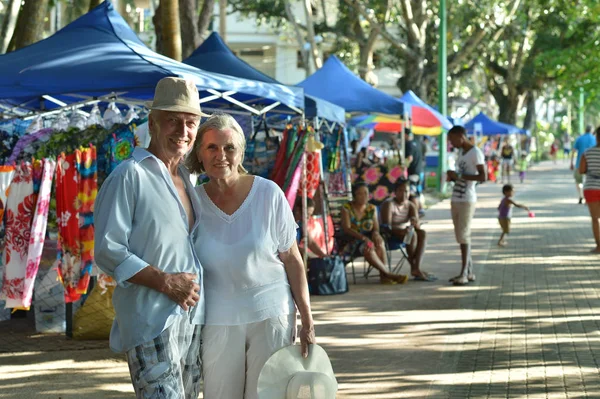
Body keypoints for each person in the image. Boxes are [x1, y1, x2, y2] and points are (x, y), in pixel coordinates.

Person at [185, 113, 315, 398]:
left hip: (270, 314)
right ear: (200, 154)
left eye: (229, 147)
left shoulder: (268, 194)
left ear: (240, 152)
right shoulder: (192, 201)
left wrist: (307, 319)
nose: (221, 155)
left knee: (267, 393)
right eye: (212, 148)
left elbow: (292, 259)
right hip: (218, 316)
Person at [94, 77, 205, 398]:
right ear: (153, 123)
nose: (183, 131)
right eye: (173, 121)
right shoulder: (129, 174)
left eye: (190, 123)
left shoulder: (189, 177)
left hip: (193, 318)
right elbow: (108, 250)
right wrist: (164, 281)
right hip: (151, 318)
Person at [340, 183, 409, 284]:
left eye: (366, 193)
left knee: (380, 244)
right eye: (360, 194)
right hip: (353, 240)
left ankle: (384, 276)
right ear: (354, 195)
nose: (364, 196)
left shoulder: (372, 208)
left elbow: (376, 228)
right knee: (369, 248)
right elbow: (347, 228)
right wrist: (363, 238)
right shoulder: (346, 208)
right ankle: (388, 274)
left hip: (369, 238)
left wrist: (376, 234)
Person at [446, 126, 486, 286]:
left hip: (467, 199)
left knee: (464, 235)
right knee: (460, 235)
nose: (451, 143)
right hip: (456, 196)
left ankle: (463, 272)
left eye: (452, 139)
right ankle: (468, 271)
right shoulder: (461, 153)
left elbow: (483, 177)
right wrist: (454, 177)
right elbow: (462, 176)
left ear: (461, 136)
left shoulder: (475, 153)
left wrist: (460, 176)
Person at [381, 179, 435, 281]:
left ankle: (416, 267)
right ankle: (415, 268)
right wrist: (401, 231)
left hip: (406, 234)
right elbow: (386, 227)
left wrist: (415, 221)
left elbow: (417, 226)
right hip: (390, 235)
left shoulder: (410, 205)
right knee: (412, 235)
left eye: (406, 191)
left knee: (421, 233)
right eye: (401, 191)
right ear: (395, 192)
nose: (404, 194)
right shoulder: (389, 204)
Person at [578, 126, 600, 253]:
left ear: (596, 137)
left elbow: (581, 170)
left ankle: (599, 246)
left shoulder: (587, 153)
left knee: (595, 218)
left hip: (591, 187)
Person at [572, 125, 597, 204]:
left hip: (579, 164)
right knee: (588, 181)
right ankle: (586, 197)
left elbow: (573, 151)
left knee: (578, 181)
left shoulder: (579, 138)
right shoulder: (594, 139)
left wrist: (571, 162)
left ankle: (581, 195)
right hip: (592, 164)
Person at [404, 130, 425, 216]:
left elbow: (409, 158)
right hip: (419, 171)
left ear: (405, 135)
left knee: (413, 194)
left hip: (412, 172)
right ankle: (420, 209)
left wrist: (403, 166)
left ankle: (416, 213)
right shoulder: (417, 143)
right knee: (417, 192)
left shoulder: (409, 144)